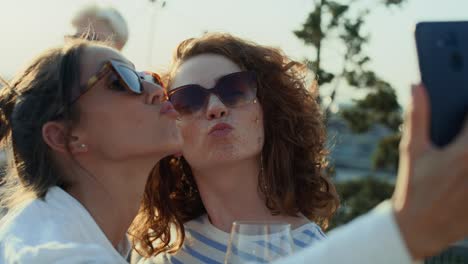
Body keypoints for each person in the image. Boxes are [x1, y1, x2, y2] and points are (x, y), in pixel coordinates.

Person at [133, 33, 468, 264]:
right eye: (189, 100)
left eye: (234, 90)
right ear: (172, 133)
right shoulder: (162, 253)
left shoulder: (317, 250)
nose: (216, 107)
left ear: (268, 114)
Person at [0, 39, 182, 263]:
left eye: (145, 77)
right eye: (120, 80)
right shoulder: (59, 255)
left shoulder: (55, 233)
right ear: (64, 136)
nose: (157, 90)